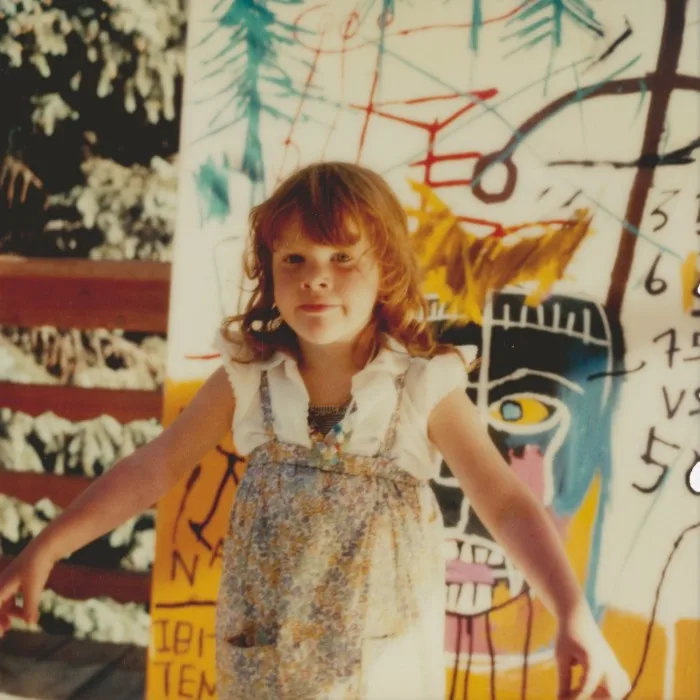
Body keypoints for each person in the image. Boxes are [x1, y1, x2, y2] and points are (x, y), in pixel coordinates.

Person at [0, 161, 630, 700]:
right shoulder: (251, 377)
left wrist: (573, 611)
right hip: (264, 661)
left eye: (342, 258)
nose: (315, 277)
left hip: (377, 667)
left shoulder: (421, 387)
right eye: (294, 258)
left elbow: (509, 504)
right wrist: (47, 546)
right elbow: (152, 468)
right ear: (270, 272)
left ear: (385, 270)